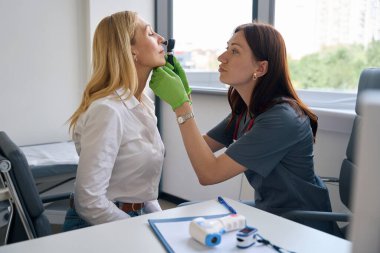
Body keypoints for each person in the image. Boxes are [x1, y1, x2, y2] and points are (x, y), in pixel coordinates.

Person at [149, 22, 334, 234]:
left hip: (300, 226)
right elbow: (204, 149)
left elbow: (208, 174)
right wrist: (186, 99)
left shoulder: (281, 118)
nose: (222, 57)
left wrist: (181, 107)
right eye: (227, 48)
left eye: (234, 51)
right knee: (184, 212)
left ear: (260, 68)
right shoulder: (247, 109)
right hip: (270, 211)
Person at [62, 11, 166, 231]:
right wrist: (137, 229)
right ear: (131, 50)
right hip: (97, 225)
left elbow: (141, 186)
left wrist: (161, 223)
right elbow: (89, 201)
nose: (161, 39)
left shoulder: (144, 105)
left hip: (130, 217)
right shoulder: (108, 111)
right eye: (150, 33)